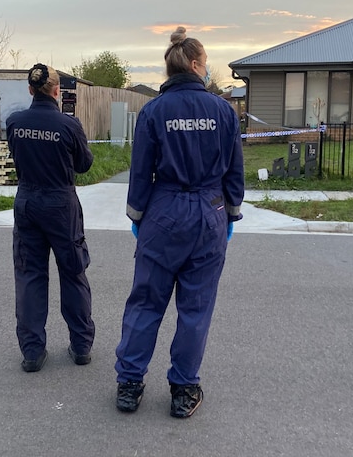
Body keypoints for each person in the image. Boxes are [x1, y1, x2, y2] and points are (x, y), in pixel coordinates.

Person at [114, 27, 244, 418]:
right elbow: (234, 172)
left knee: (146, 302)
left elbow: (140, 173)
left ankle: (130, 383)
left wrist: (137, 215)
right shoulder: (223, 111)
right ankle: (184, 389)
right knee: (195, 307)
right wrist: (231, 213)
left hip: (164, 212)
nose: (207, 69)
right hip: (209, 213)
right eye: (206, 63)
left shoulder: (154, 111)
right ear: (195, 65)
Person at [6, 63, 95, 373]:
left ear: (30, 90)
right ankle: (81, 345)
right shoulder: (69, 125)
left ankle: (32, 351)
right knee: (72, 272)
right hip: (61, 204)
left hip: (28, 201)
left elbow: (17, 155)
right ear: (57, 91)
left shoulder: (15, 122)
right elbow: (84, 164)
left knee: (30, 275)